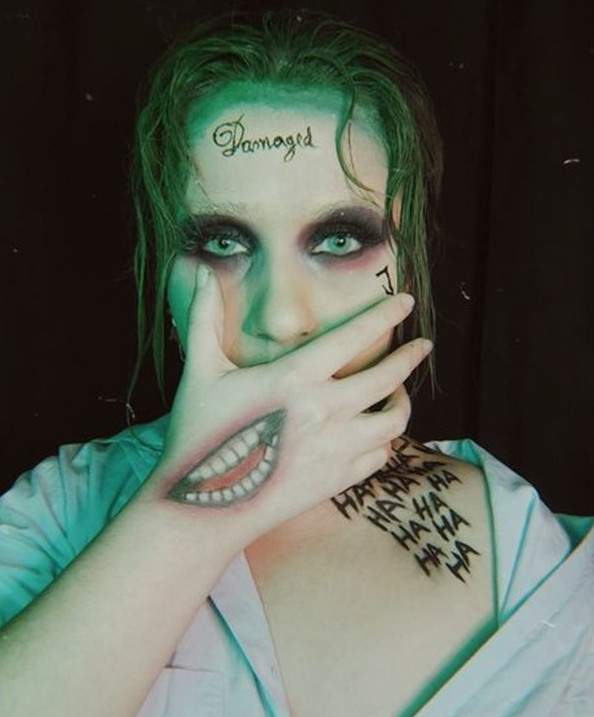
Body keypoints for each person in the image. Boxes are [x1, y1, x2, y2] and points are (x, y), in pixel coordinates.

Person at [1, 8, 592, 717]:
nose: (281, 316)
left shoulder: (517, 541)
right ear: (162, 271)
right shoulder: (59, 513)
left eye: (339, 240)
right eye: (224, 244)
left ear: (409, 263)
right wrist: (194, 517)